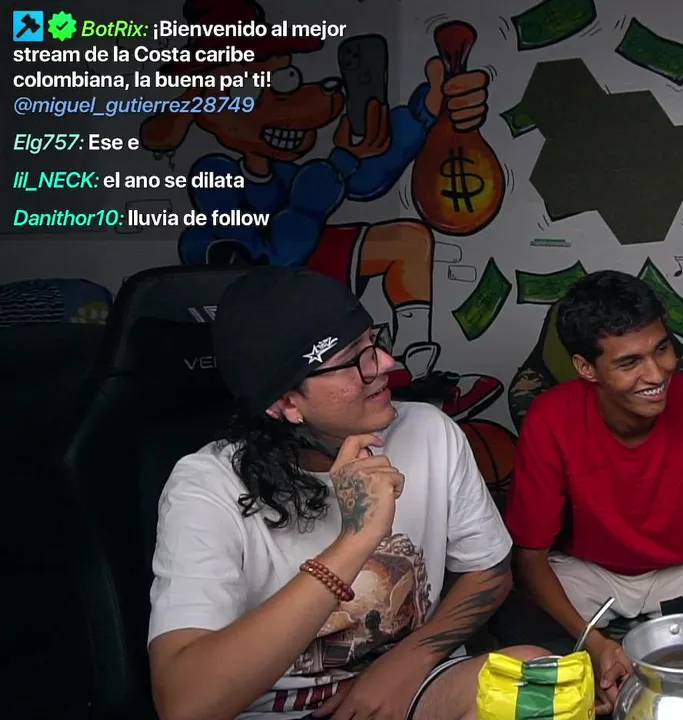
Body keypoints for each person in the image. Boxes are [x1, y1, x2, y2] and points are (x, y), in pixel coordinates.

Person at [147, 267, 544, 720]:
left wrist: (408, 660)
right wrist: (356, 539)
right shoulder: (207, 486)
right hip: (282, 710)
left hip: (413, 688)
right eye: (356, 359)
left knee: (534, 680)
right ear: (286, 403)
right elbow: (185, 704)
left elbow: (489, 571)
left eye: (374, 342)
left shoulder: (430, 432)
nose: (387, 364)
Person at [505, 270, 683, 712]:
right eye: (629, 362)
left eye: (662, 349)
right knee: (512, 623)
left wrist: (668, 648)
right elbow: (529, 558)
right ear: (586, 368)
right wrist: (596, 645)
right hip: (590, 571)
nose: (657, 373)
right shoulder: (550, 418)